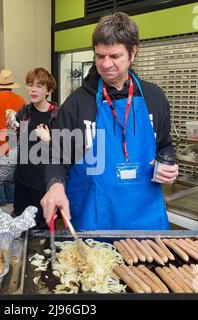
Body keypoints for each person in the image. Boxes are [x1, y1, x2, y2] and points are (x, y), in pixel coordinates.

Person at [41, 12, 179, 231]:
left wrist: (168, 161)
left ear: (133, 52)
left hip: (146, 220)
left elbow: (165, 144)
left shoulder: (154, 98)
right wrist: (55, 185)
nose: (105, 64)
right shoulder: (77, 103)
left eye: (114, 56)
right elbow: (56, 155)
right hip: (94, 217)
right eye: (99, 56)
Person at [12, 67, 58, 229]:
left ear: (48, 90)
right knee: (21, 225)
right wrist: (12, 125)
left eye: (39, 86)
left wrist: (49, 140)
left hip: (43, 183)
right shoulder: (24, 111)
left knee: (43, 228)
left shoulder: (58, 114)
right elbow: (17, 141)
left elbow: (66, 152)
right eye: (30, 84)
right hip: (22, 179)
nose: (33, 89)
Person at [0, 69, 25, 209]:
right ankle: (12, 207)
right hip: (16, 146)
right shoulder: (20, 100)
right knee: (10, 180)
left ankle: (2, 206)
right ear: (12, 85)